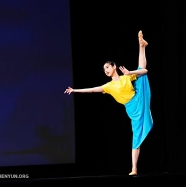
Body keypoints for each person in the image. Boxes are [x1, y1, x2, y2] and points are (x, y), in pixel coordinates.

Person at [64, 30, 153, 176]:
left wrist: (130, 73)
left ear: (114, 67)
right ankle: (135, 168)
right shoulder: (108, 86)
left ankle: (141, 46)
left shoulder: (125, 78)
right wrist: (75, 90)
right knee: (136, 136)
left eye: (107, 67)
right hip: (132, 109)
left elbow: (145, 71)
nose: (105, 70)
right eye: (104, 69)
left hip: (138, 98)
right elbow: (92, 89)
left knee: (139, 72)